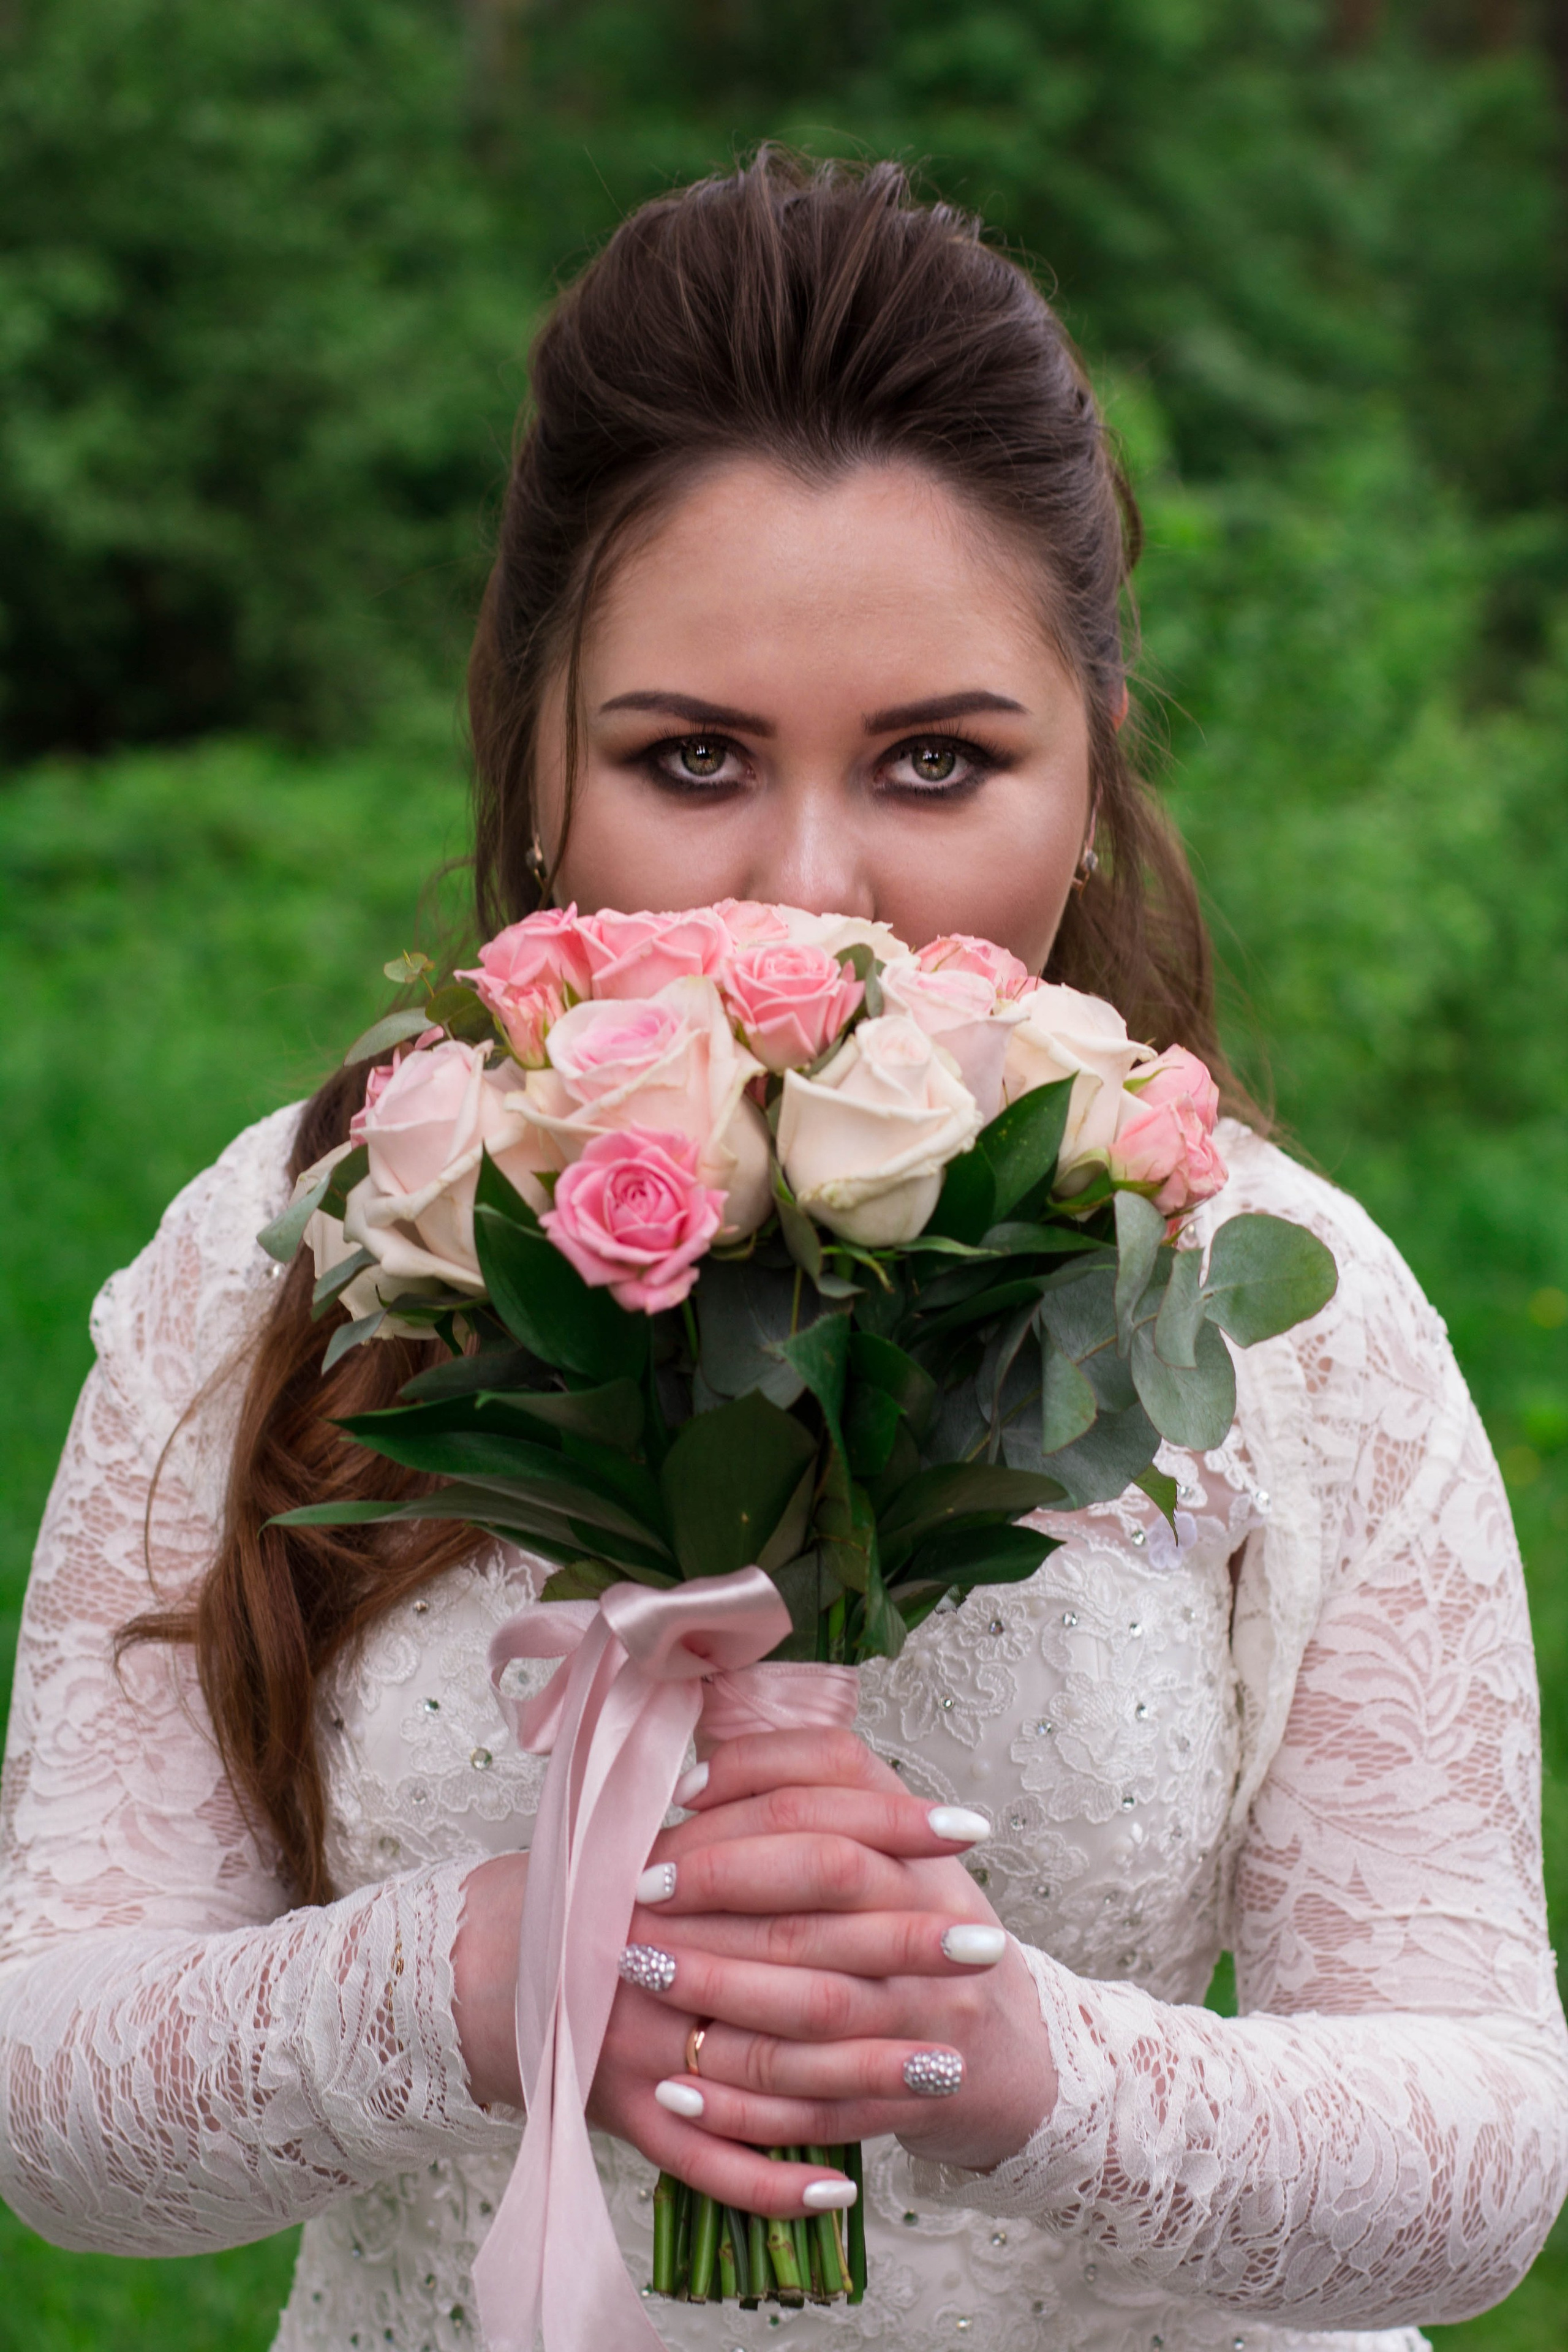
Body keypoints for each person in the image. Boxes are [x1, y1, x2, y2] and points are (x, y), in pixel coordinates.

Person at [1, 151, 1563, 2352]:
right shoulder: (313, 1236)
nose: (812, 892)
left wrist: (1011, 2065)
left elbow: (1481, 2157)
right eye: (694, 755)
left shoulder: (1275, 1307)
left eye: (938, 759)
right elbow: (53, 2100)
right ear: (537, 752)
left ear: (1095, 772)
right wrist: (480, 1979)